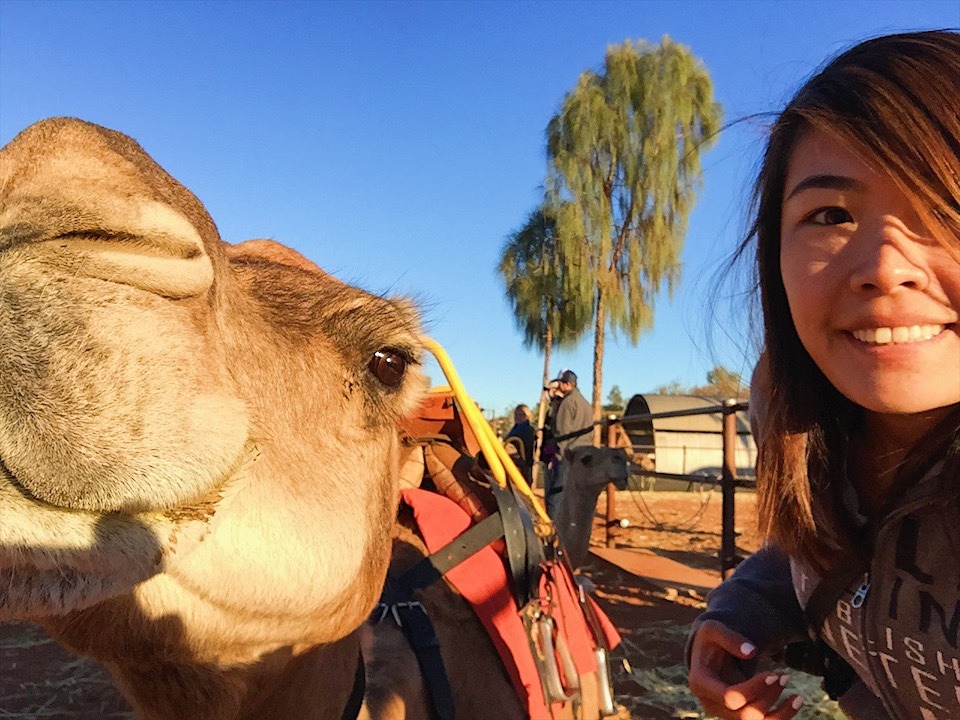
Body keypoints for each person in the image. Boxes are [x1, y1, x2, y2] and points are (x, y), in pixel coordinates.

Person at [687, 30, 960, 720]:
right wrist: (740, 617)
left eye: (948, 208)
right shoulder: (797, 408)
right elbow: (826, 544)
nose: (885, 266)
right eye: (830, 215)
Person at [545, 369, 595, 517]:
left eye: (560, 383)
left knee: (557, 494)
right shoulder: (585, 403)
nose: (558, 386)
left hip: (569, 454)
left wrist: (558, 457)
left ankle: (551, 530)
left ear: (567, 384)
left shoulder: (568, 402)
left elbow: (562, 432)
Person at [505, 404, 536, 477]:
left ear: (528, 416)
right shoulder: (515, 428)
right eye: (516, 415)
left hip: (521, 465)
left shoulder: (527, 429)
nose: (517, 417)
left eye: (521, 415)